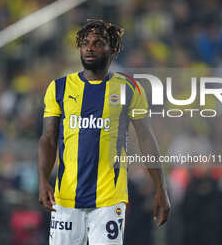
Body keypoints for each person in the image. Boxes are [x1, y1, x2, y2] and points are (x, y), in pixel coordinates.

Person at [38, 19, 170, 245]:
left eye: (98, 43)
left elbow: (146, 138)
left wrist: (160, 187)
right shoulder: (59, 87)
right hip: (66, 197)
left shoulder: (129, 88)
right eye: (85, 43)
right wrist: (43, 180)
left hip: (109, 199)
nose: (90, 47)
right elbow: (48, 138)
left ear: (114, 50)